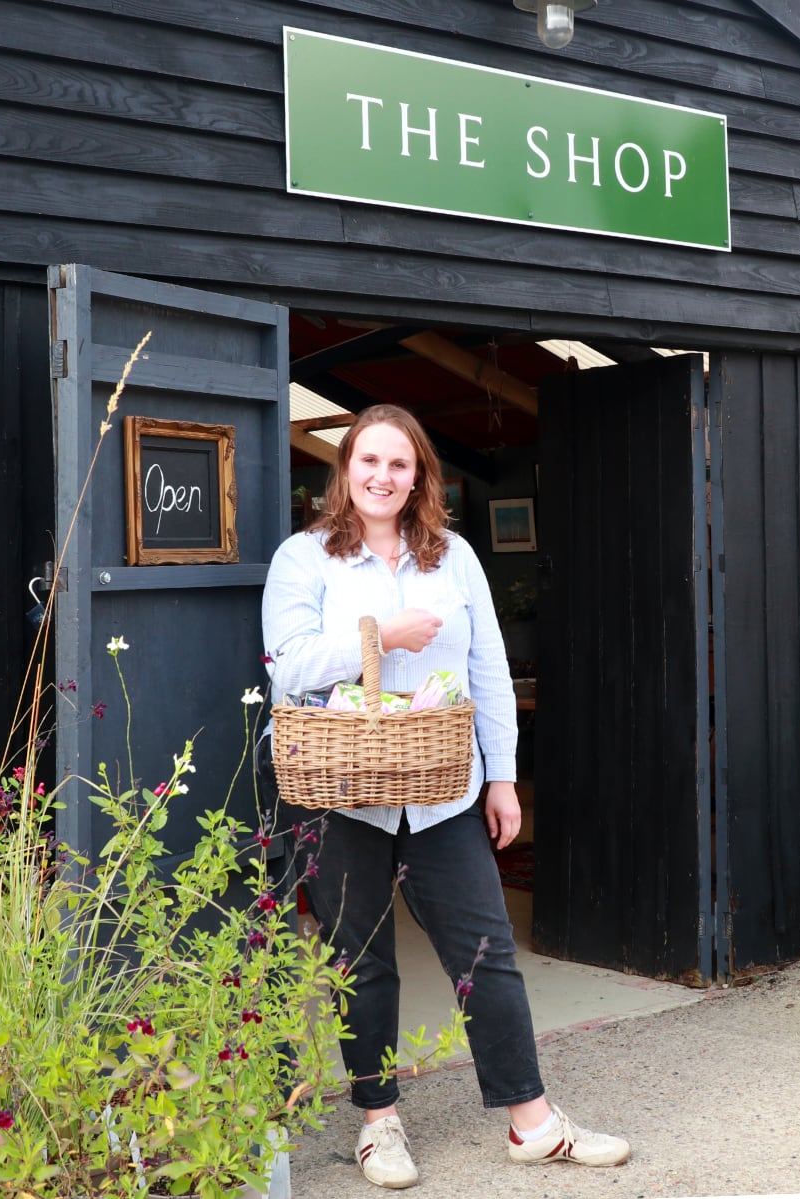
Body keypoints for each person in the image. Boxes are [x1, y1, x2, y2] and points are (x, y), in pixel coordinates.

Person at [257, 404, 629, 1189]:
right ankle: (378, 1121)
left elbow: (488, 668)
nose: (382, 477)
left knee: (486, 951)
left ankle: (533, 1121)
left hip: (441, 789)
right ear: (345, 468)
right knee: (361, 960)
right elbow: (286, 663)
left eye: (399, 464)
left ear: (420, 474)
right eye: (369, 462)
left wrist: (501, 775)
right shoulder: (306, 556)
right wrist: (382, 635)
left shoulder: (453, 557)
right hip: (342, 790)